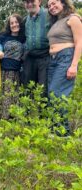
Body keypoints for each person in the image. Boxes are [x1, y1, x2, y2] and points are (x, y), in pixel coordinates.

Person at [46, 0, 82, 136]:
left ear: (63, 3)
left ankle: (63, 133)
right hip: (53, 60)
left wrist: (74, 65)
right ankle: (55, 130)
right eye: (49, 6)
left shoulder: (73, 19)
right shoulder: (55, 22)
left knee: (57, 94)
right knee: (52, 95)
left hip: (65, 58)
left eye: (54, 3)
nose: (52, 7)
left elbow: (79, 42)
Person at [0, 14, 26, 119]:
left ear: (20, 24)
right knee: (3, 93)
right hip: (4, 69)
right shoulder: (3, 37)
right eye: (12, 23)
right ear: (9, 25)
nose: (14, 25)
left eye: (16, 22)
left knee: (15, 94)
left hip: (18, 71)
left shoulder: (24, 38)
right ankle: (2, 117)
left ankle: (12, 117)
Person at [22, 0, 50, 94]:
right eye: (27, 2)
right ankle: (29, 109)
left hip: (45, 55)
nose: (29, 4)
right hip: (30, 56)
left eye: (32, 1)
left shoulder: (49, 14)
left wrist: (74, 16)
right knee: (28, 87)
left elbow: (65, 18)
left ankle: (43, 109)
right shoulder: (25, 19)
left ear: (39, 1)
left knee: (43, 87)